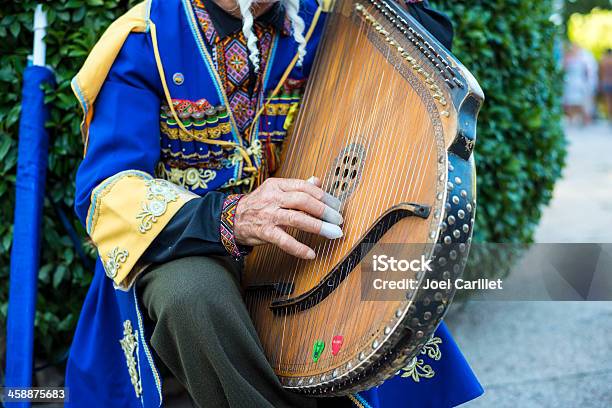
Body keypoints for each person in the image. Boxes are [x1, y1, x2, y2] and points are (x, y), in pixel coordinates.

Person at [66, 0, 483, 407]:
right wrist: (231, 218)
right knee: (192, 293)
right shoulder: (144, 39)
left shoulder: (323, 17)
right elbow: (107, 191)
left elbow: (426, 60)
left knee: (370, 267)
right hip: (185, 241)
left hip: (295, 233)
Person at [600, 49, 612, 122]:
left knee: (608, 102)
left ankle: (609, 118)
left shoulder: (603, 61)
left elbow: (600, 74)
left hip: (606, 82)